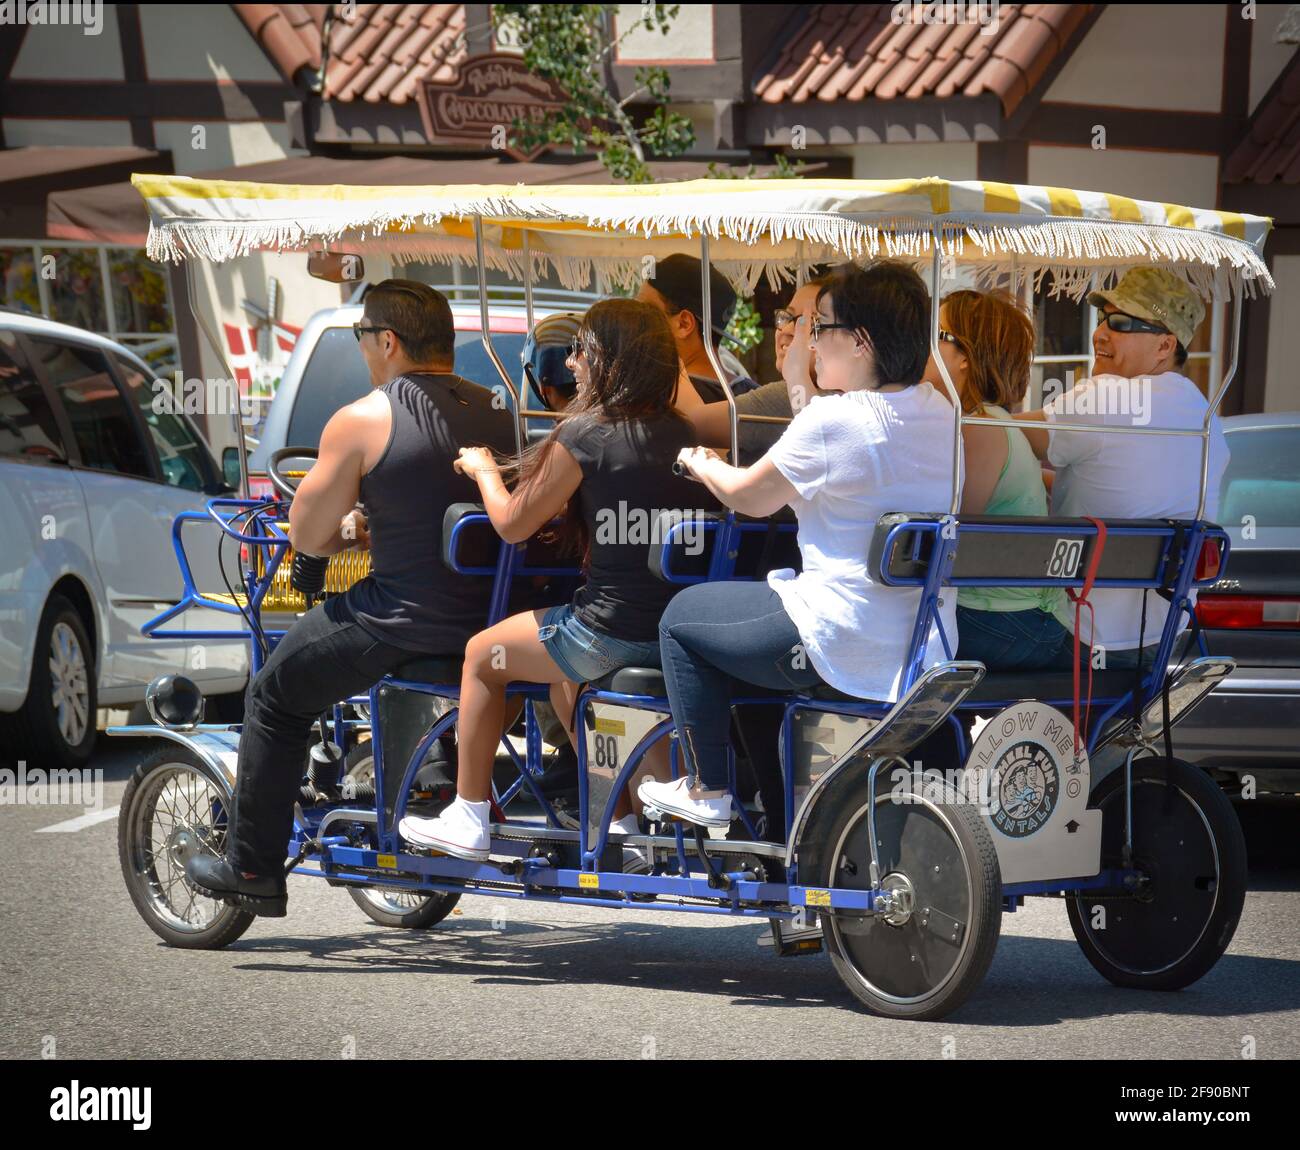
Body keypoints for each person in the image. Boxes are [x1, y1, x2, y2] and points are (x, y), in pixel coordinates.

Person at [185, 280, 517, 914]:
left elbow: (305, 534)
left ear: (387, 341)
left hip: (398, 620)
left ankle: (252, 869)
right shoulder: (496, 412)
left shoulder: (364, 418)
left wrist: (338, 532)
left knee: (273, 695)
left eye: (364, 335)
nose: (365, 347)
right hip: (484, 622)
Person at [637, 261, 961, 828]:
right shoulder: (940, 410)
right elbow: (826, 436)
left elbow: (748, 496)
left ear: (860, 341)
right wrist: (795, 378)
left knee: (680, 617)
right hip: (920, 642)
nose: (812, 341)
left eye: (821, 328)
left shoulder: (836, 420)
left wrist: (699, 462)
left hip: (838, 633)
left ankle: (706, 787)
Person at [399, 299, 715, 860]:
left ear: (610, 359)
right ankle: (620, 823)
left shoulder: (586, 434)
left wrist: (484, 471)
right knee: (562, 685)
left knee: (481, 656)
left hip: (605, 634)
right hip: (670, 632)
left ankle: (468, 815)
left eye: (580, 351)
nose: (570, 364)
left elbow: (513, 524)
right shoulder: (680, 432)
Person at [1014, 267, 1230, 672]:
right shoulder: (1205, 415)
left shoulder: (1111, 397)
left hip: (1080, 632)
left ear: (1165, 344)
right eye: (1102, 319)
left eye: (1121, 323)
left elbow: (1002, 437)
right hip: (1165, 633)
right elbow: (1120, 485)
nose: (1100, 333)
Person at [926, 289, 1066, 670]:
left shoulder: (979, 427)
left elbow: (949, 531)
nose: (923, 343)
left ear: (966, 359)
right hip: (1016, 616)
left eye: (935, 333)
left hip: (1006, 621)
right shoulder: (986, 421)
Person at [687, 271, 831, 460]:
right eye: (787, 317)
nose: (787, 330)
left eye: (811, 322)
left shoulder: (789, 397)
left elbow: (689, 424)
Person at [636, 254, 757, 404]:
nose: (636, 318)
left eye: (645, 309)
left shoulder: (657, 402)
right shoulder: (757, 397)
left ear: (684, 324)